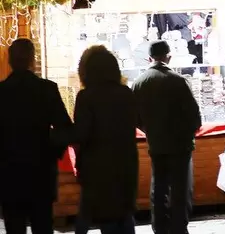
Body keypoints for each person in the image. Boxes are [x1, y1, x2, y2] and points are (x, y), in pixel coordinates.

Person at [0, 38, 72, 234]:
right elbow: (65, 128)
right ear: (32, 59)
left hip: (9, 173)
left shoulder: (2, 92)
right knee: (42, 225)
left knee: (14, 226)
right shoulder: (46, 89)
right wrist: (52, 151)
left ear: (10, 60)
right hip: (40, 170)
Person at [132, 40, 201, 234]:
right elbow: (195, 116)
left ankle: (160, 227)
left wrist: (150, 130)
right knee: (180, 188)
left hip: (157, 143)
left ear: (149, 58)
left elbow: (134, 118)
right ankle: (179, 227)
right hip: (181, 144)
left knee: (159, 187)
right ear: (168, 56)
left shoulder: (139, 83)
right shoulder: (178, 80)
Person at [74, 45, 138, 234]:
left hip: (97, 165)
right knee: (124, 215)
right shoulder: (126, 94)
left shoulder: (86, 97)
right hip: (125, 162)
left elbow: (82, 133)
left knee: (106, 218)